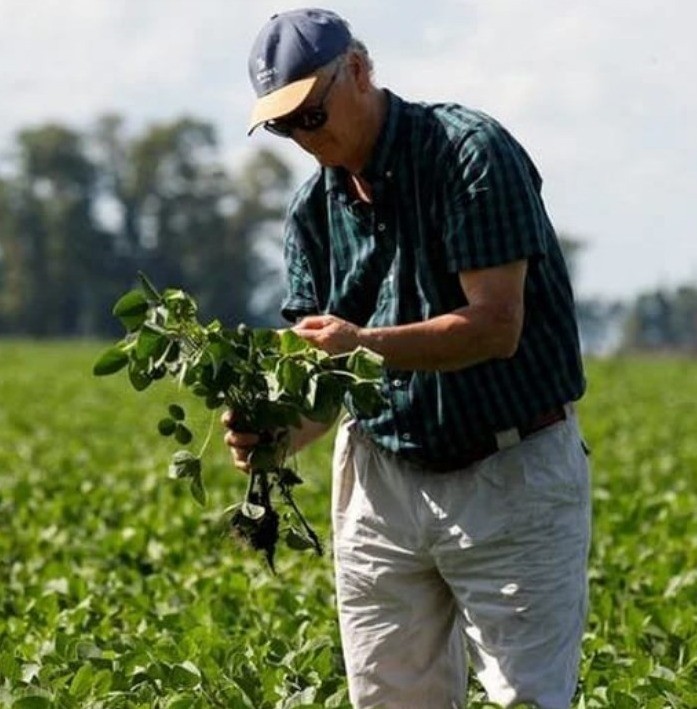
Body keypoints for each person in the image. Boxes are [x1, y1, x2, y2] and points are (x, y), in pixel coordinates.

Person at [224, 8, 592, 709]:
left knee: (527, 698)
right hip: (380, 477)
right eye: (283, 126)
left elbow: (494, 325)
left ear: (358, 72)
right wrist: (273, 434)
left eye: (310, 113)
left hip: (508, 468)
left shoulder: (469, 155)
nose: (303, 137)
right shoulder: (311, 212)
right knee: (391, 700)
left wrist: (362, 344)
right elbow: (325, 385)